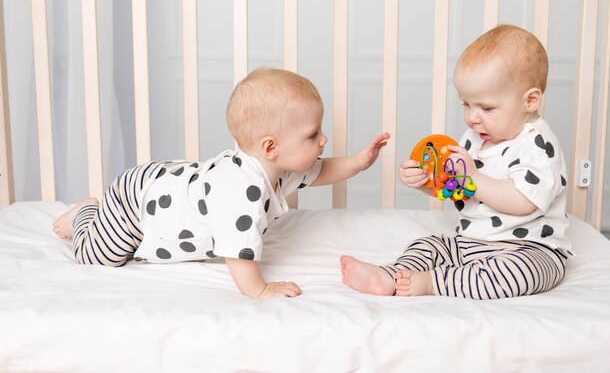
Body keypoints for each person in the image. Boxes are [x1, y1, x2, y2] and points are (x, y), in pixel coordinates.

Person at [53, 67, 390, 299]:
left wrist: (358, 162)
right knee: (95, 256)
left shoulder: (277, 168)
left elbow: (322, 171)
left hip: (164, 184)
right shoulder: (241, 191)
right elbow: (237, 252)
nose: (323, 139)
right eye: (312, 134)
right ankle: (86, 212)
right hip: (136, 203)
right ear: (271, 147)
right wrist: (258, 290)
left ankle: (90, 212)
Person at [340, 24, 572, 299]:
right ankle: (392, 275)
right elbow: (455, 186)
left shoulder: (538, 145)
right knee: (430, 245)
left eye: (486, 108)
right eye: (466, 104)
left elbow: (523, 202)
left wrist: (473, 178)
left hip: (527, 248)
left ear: (530, 100)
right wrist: (425, 182)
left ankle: (432, 282)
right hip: (469, 243)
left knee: (519, 273)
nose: (473, 117)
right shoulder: (474, 137)